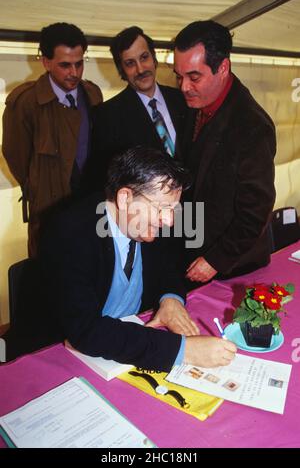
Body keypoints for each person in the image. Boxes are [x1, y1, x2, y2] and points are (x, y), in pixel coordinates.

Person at [39, 146, 237, 371]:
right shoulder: (70, 234)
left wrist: (170, 299)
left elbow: (167, 269)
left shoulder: (147, 222)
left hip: (129, 340)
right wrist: (183, 351)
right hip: (72, 359)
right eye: (163, 208)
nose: (170, 220)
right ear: (124, 198)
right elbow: (86, 331)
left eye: (174, 209)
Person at [173, 20, 276, 285]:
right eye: (179, 75)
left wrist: (215, 260)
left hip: (235, 268)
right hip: (192, 247)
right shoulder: (193, 102)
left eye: (194, 77)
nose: (184, 86)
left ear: (223, 68)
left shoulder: (253, 125)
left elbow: (256, 211)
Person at [2, 22, 103, 257]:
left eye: (79, 64)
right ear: (45, 62)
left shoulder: (92, 93)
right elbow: (16, 157)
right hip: (50, 211)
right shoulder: (26, 103)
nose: (74, 73)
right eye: (65, 65)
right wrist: (41, 186)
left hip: (91, 207)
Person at [89, 26, 187, 189]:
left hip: (194, 208)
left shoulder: (183, 100)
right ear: (122, 70)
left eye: (144, 57)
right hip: (146, 211)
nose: (140, 69)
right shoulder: (107, 116)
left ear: (154, 58)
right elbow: (106, 179)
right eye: (130, 63)